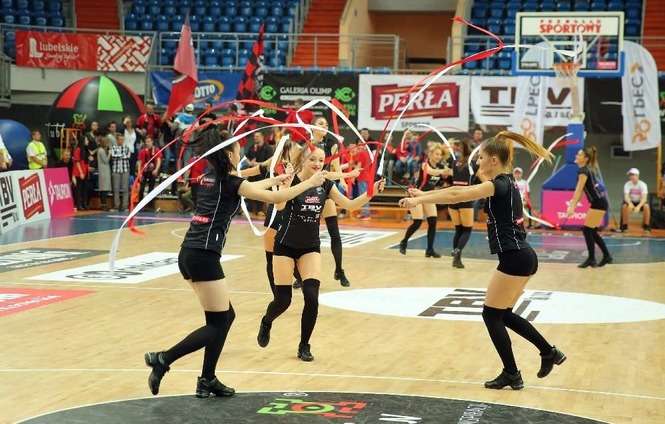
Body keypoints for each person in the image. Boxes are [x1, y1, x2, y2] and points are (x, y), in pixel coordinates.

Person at [144, 127, 326, 398]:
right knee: (219, 323)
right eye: (238, 148)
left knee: (223, 318)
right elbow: (275, 197)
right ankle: (164, 359)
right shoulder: (230, 181)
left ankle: (207, 379)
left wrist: (277, 178)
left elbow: (248, 187)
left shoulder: (211, 177)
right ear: (230, 154)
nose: (240, 151)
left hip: (190, 254)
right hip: (204, 256)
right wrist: (308, 184)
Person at [399, 130, 565, 390]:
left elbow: (456, 194)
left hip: (515, 258)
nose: (477, 162)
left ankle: (512, 373)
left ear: (494, 161)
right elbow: (456, 190)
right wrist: (421, 195)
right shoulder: (505, 183)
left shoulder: (498, 184)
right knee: (503, 314)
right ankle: (548, 352)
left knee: (491, 315)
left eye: (481, 158)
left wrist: (418, 199)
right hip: (523, 256)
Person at [257, 145, 384, 362]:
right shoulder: (291, 180)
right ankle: (267, 321)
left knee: (312, 297)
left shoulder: (325, 184)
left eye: (321, 160)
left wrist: (371, 192)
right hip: (285, 246)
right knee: (283, 300)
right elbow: (279, 207)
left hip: (310, 247)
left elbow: (350, 205)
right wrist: (284, 186)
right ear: (303, 160)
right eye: (313, 159)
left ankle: (304, 345)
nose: (317, 164)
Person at [399, 143, 450, 257]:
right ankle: (404, 241)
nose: (438, 156)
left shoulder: (440, 166)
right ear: (430, 154)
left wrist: (449, 172)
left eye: (440, 155)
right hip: (417, 194)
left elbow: (443, 178)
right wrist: (443, 171)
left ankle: (429, 250)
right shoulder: (425, 164)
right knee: (417, 222)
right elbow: (431, 172)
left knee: (433, 222)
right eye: (436, 154)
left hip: (428, 196)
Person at [567, 146, 613, 268]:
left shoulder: (583, 171)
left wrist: (571, 207)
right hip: (598, 202)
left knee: (587, 230)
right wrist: (574, 204)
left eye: (579, 154)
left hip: (599, 203)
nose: (576, 156)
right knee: (591, 231)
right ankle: (606, 256)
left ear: (586, 158)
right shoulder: (585, 170)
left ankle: (593, 259)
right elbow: (582, 192)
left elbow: (578, 190)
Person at [448, 139, 476, 269]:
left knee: (458, 229)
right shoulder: (472, 164)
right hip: (465, 197)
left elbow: (448, 174)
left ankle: (456, 259)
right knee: (467, 229)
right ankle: (458, 250)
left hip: (453, 197)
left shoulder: (454, 162)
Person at [245, 131, 274, 216]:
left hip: (263, 174)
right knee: (250, 190)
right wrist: (249, 162)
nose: (255, 138)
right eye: (254, 136)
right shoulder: (252, 147)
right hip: (252, 173)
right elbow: (246, 157)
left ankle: (261, 209)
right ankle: (252, 209)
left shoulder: (268, 148)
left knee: (261, 191)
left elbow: (269, 161)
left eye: (257, 136)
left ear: (262, 137)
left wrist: (257, 164)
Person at [620, 168, 650, 233]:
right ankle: (625, 226)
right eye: (630, 175)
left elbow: (644, 198)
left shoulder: (643, 184)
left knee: (646, 206)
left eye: (632, 175)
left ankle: (646, 226)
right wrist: (630, 204)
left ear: (637, 176)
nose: (631, 176)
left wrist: (638, 206)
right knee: (624, 206)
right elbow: (626, 197)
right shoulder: (627, 184)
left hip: (640, 202)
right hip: (631, 201)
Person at [137, 136, 162, 211]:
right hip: (144, 172)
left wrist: (156, 169)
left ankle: (150, 206)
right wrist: (139, 173)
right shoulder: (142, 151)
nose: (147, 143)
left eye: (149, 141)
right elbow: (139, 162)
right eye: (146, 142)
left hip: (152, 172)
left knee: (151, 189)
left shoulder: (156, 150)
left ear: (152, 142)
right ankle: (140, 205)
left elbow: (158, 160)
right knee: (141, 189)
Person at [110, 134, 132, 212]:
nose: (121, 141)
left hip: (125, 170)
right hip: (116, 170)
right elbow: (113, 156)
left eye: (122, 139)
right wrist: (122, 156)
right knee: (116, 189)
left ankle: (125, 206)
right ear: (117, 140)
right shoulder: (113, 148)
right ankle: (116, 206)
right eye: (120, 139)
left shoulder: (127, 148)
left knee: (125, 189)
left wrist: (118, 156)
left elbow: (128, 156)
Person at [71, 138, 89, 210]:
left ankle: (84, 204)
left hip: (85, 171)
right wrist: (81, 172)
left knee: (84, 189)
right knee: (79, 189)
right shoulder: (78, 150)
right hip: (79, 172)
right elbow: (77, 162)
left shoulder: (85, 150)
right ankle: (78, 204)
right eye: (86, 140)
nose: (87, 141)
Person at [96, 136, 112, 211]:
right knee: (103, 189)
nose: (107, 144)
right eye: (106, 142)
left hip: (105, 171)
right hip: (103, 171)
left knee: (104, 189)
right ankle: (103, 205)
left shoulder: (102, 150)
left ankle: (104, 204)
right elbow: (106, 161)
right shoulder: (101, 150)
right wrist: (109, 154)